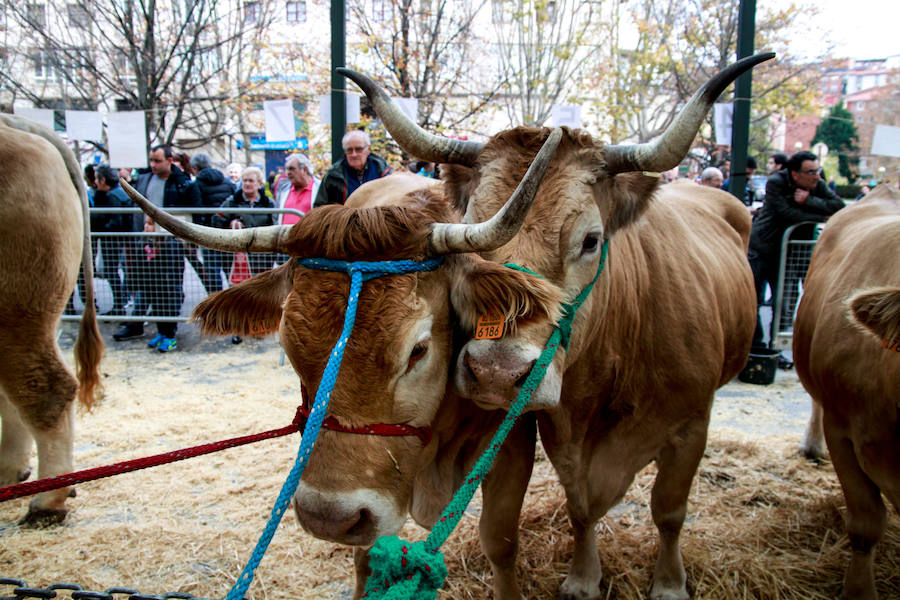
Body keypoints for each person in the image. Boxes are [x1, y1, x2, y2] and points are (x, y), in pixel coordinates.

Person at [747, 151, 845, 362]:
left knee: (784, 302)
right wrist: (820, 215)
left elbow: (838, 205)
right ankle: (755, 345)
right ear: (795, 174)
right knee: (751, 297)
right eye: (810, 172)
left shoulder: (815, 186)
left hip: (787, 254)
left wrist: (809, 200)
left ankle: (776, 347)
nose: (816, 176)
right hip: (762, 248)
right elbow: (786, 213)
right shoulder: (776, 183)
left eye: (817, 171)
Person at [113, 145, 200, 352]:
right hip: (146, 242)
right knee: (152, 287)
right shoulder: (144, 179)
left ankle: (170, 333)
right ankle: (161, 331)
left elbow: (194, 211)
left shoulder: (182, 183)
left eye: (157, 161)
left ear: (169, 161)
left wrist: (187, 240)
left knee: (170, 289)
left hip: (171, 243)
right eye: (151, 160)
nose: (153, 165)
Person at [213, 166, 276, 345]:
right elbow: (216, 218)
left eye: (251, 181)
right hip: (237, 259)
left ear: (259, 184)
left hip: (260, 257)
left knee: (259, 293)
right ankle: (238, 329)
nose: (247, 184)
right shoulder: (232, 201)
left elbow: (274, 224)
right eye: (244, 181)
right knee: (239, 293)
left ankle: (257, 326)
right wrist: (229, 222)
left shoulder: (268, 203)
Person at [92, 164, 135, 315]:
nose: (95, 182)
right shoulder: (118, 192)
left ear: (103, 180)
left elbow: (115, 222)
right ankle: (119, 304)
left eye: (97, 178)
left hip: (113, 241)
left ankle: (119, 305)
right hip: (120, 240)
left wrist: (102, 229)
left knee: (112, 273)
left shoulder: (113, 196)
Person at [190, 153, 236, 294]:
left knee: (213, 271)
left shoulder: (196, 185)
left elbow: (197, 211)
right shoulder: (228, 183)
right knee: (230, 269)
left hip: (207, 234)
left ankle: (216, 304)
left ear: (196, 168)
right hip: (228, 233)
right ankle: (233, 304)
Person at [312, 130, 392, 208]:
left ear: (368, 150)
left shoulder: (383, 172)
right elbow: (319, 208)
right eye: (349, 150)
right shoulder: (333, 175)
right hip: (343, 220)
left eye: (358, 149)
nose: (354, 154)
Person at [274, 153, 319, 225]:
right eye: (287, 169)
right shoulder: (283, 190)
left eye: (292, 169)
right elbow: (276, 216)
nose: (288, 173)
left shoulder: (319, 189)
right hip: (285, 235)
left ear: (305, 169)